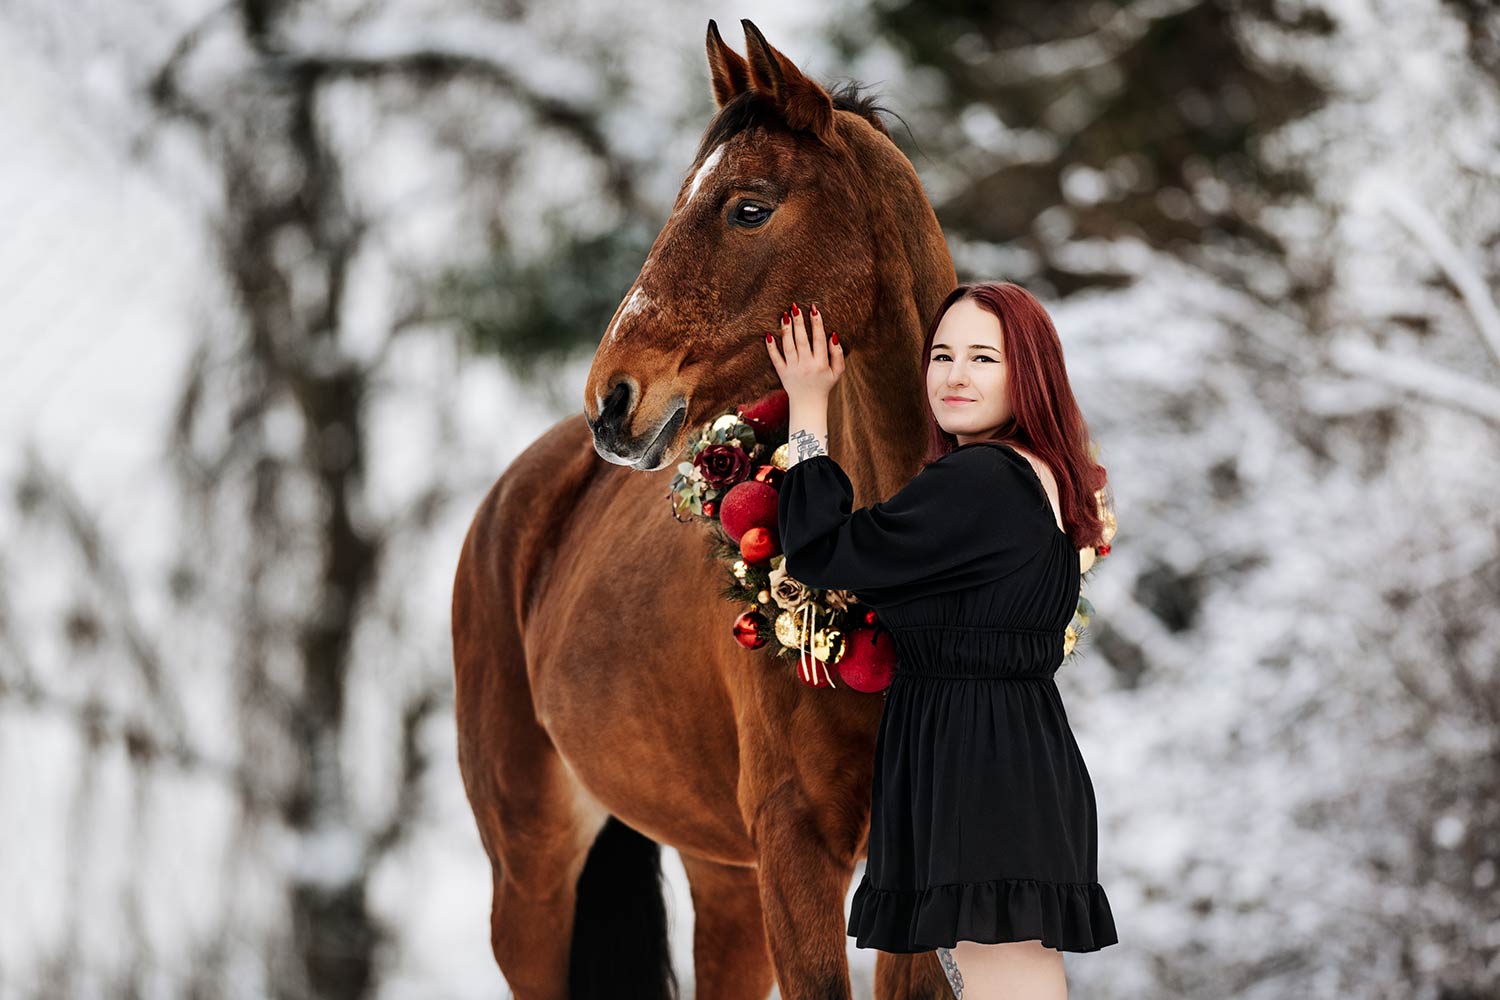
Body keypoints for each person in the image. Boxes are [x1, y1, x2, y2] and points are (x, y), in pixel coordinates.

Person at [766, 283, 1118, 999]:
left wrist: (809, 404)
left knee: (1006, 984)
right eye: (943, 355)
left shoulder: (983, 479)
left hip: (976, 761)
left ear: (1029, 373)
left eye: (984, 358)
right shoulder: (1029, 473)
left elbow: (824, 553)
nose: (956, 376)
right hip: (1000, 749)